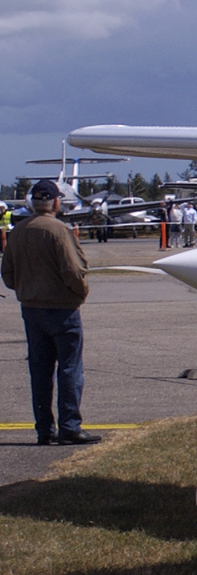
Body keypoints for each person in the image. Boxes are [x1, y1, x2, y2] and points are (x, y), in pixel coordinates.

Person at [1, 179, 100, 445]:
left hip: (31, 309)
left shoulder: (18, 232)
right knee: (69, 368)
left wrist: (26, 288)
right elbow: (74, 270)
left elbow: (7, 274)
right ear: (56, 203)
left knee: (40, 369)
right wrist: (80, 293)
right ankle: (70, 426)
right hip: (62, 309)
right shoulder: (59, 230)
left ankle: (44, 429)